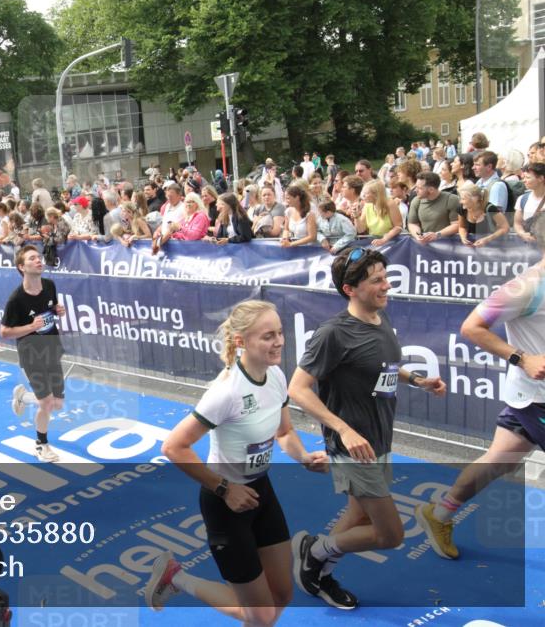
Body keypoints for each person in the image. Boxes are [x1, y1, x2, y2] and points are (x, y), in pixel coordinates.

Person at [145, 301, 328, 623]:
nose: (279, 342)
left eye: (280, 333)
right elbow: (174, 446)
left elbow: (284, 431)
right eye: (268, 336)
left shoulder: (275, 375)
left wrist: (303, 457)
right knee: (261, 616)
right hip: (225, 504)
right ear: (242, 341)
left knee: (282, 595)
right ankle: (176, 577)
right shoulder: (226, 392)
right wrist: (225, 488)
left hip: (261, 493)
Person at [288, 247, 446, 609]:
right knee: (391, 534)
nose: (386, 285)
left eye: (385, 277)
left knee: (358, 514)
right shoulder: (333, 334)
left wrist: (417, 380)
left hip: (379, 439)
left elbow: (385, 366)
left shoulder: (380, 318)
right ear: (350, 289)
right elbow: (297, 388)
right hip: (353, 447)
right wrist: (343, 429)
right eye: (376, 280)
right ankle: (315, 551)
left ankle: (317, 573)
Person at [414, 215, 545, 560]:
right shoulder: (526, 287)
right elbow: (472, 327)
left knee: (500, 461)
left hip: (528, 399)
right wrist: (522, 358)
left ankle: (438, 513)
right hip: (538, 398)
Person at [0, 246, 68, 463]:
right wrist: (30, 327)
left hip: (52, 347)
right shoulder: (16, 299)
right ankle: (41, 444)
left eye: (39, 257)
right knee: (47, 403)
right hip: (31, 354)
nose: (39, 260)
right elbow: (4, 332)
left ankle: (23, 397)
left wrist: (58, 310)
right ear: (22, 267)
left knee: (56, 404)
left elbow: (51, 308)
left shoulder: (49, 285)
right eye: (32, 258)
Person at [408, 172, 461, 243]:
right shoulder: (416, 201)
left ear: (431, 190)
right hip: (426, 246)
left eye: (419, 188)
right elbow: (412, 223)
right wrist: (418, 235)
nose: (415, 190)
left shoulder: (451, 199)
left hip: (448, 245)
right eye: (416, 187)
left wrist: (437, 235)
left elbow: (457, 224)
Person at [456, 182, 509, 248]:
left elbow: (505, 227)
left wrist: (487, 239)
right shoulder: (462, 209)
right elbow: (462, 227)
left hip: (493, 247)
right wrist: (463, 238)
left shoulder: (490, 209)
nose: (460, 201)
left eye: (463, 199)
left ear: (474, 199)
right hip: (472, 248)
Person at [356, 181, 402, 247]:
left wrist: (384, 239)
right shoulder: (367, 205)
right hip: (374, 241)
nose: (363, 196)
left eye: (366, 193)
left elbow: (398, 227)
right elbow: (361, 230)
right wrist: (356, 216)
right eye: (363, 193)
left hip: (392, 241)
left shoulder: (390, 204)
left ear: (376, 194)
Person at [514, 162, 545, 243]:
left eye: (528, 177)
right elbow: (517, 223)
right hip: (529, 248)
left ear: (541, 178)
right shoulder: (522, 199)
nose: (524, 181)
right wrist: (522, 233)